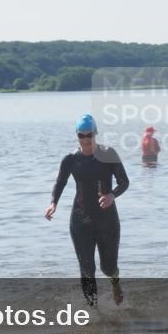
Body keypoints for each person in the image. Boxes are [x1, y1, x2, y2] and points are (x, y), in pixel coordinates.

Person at [45, 115, 130, 307]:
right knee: (87, 269)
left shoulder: (108, 155)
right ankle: (93, 312)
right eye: (81, 135)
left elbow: (124, 182)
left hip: (107, 219)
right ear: (77, 136)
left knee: (108, 268)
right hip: (80, 220)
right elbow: (60, 182)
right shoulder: (70, 159)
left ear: (95, 134)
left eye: (89, 135)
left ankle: (115, 283)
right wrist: (53, 203)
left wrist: (112, 196)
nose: (85, 140)